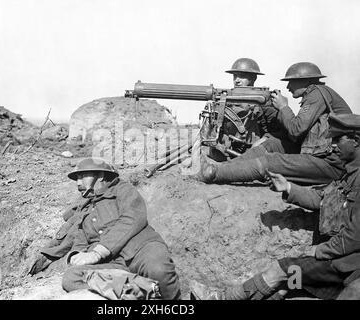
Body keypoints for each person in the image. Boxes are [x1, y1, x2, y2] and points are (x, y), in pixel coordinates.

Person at [190, 113, 360, 300]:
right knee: (288, 287)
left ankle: (222, 298)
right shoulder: (349, 174)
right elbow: (323, 200)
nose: (332, 145)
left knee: (281, 269)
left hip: (347, 265)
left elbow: (355, 235)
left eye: (338, 139)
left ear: (356, 141)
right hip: (338, 259)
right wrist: (287, 187)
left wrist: (321, 251)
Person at [29, 157, 181, 300]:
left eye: (82, 176)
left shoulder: (122, 190)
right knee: (71, 278)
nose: (77, 183)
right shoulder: (85, 209)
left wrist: (98, 252)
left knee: (159, 270)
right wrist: (77, 256)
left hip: (142, 250)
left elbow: (132, 218)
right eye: (76, 178)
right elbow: (81, 240)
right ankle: (141, 288)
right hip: (116, 264)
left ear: (100, 175)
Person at [197, 62, 352, 185]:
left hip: (334, 161)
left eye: (291, 82)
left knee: (272, 162)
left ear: (305, 81)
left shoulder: (317, 93)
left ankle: (214, 174)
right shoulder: (316, 95)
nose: (288, 87)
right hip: (320, 154)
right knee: (271, 145)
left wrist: (284, 107)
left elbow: (296, 130)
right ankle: (221, 168)